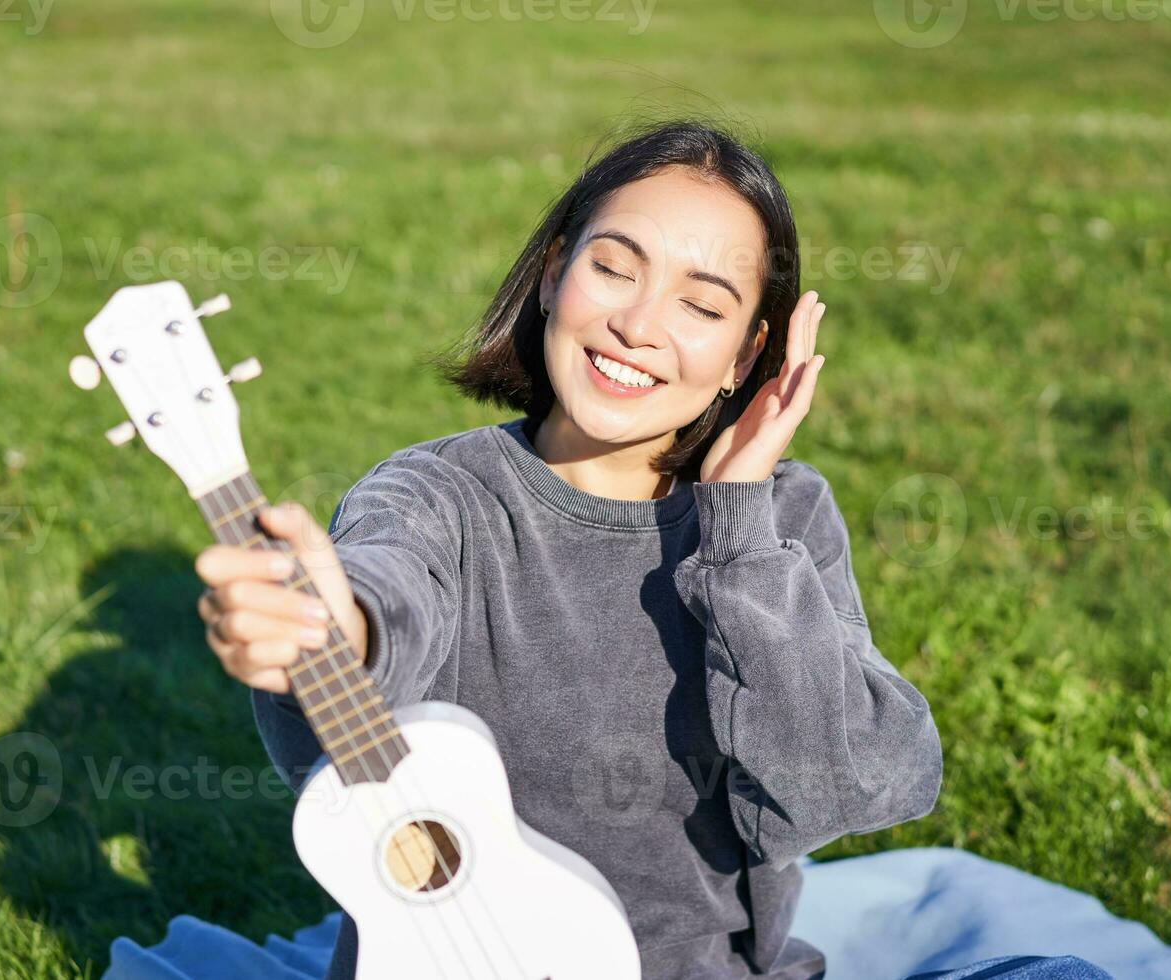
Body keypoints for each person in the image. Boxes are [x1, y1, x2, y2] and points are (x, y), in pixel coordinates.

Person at [192, 121, 959, 979]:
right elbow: (386, 592)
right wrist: (339, 626)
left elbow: (848, 787)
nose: (637, 324)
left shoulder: (781, 516)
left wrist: (739, 527)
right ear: (555, 272)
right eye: (613, 268)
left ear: (748, 354)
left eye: (701, 306)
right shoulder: (434, 495)